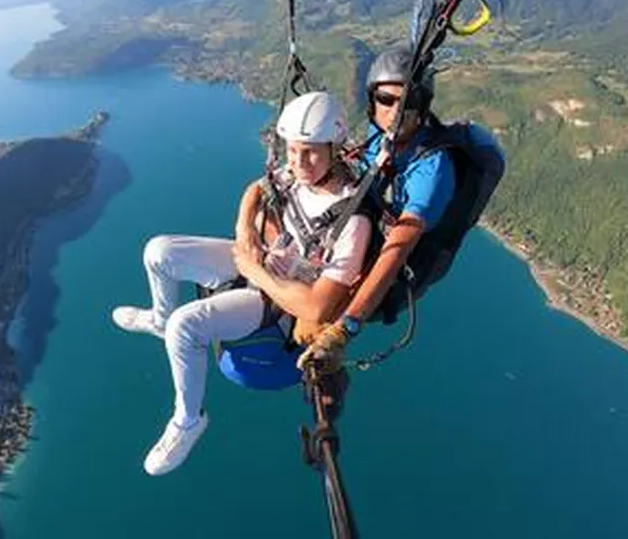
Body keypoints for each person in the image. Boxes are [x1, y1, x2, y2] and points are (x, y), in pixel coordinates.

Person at [111, 91, 372, 476]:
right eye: (292, 150)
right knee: (159, 252)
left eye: (311, 153)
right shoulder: (296, 175)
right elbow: (257, 189)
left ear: (335, 149)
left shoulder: (351, 220)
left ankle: (188, 420)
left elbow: (317, 307)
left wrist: (255, 270)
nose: (299, 162)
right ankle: (158, 321)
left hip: (278, 301)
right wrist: (245, 230)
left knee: (187, 325)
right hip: (259, 261)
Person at [297, 46, 457, 369]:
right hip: (361, 233)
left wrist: (345, 328)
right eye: (386, 99)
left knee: (310, 324)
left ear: (422, 107)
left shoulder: (431, 170)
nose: (396, 111)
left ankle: (327, 382)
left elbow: (398, 249)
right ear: (372, 101)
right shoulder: (379, 135)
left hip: (387, 268)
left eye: (408, 102)